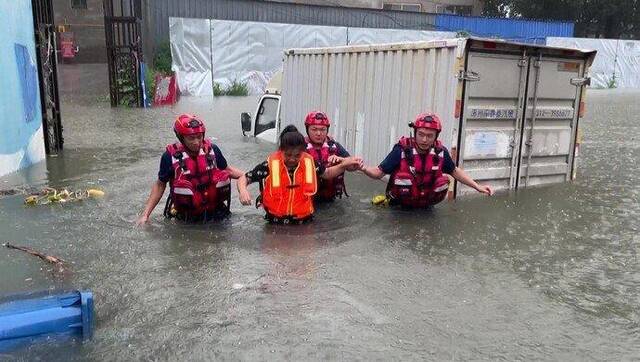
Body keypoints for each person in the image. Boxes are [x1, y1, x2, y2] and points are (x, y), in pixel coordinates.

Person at [360, 112, 493, 208]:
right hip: (399, 209)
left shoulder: (440, 153)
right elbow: (378, 172)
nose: (424, 140)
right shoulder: (401, 151)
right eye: (421, 134)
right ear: (415, 132)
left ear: (436, 136)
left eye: (430, 136)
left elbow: (455, 171)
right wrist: (363, 168)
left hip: (427, 208)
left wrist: (477, 187)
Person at [237, 125, 362, 224]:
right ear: (281, 151)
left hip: (305, 223)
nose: (292, 159)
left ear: (303, 151)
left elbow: (328, 173)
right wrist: (243, 191)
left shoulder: (310, 163)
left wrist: (344, 164)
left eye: (297, 155)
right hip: (275, 223)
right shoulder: (269, 165)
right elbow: (245, 178)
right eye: (288, 155)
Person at [136, 114, 246, 224]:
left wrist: (244, 185)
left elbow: (230, 171)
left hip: (218, 214)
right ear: (181, 137)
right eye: (191, 138)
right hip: (186, 218)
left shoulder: (213, 150)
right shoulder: (169, 157)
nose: (197, 142)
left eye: (199, 137)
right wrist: (145, 215)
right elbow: (160, 185)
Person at [303, 111, 359, 202]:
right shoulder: (300, 148)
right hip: (307, 199)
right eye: (314, 129)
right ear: (307, 130)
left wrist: (341, 160)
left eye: (322, 129)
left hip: (331, 199)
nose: (318, 133)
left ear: (327, 130)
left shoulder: (334, 146)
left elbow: (353, 166)